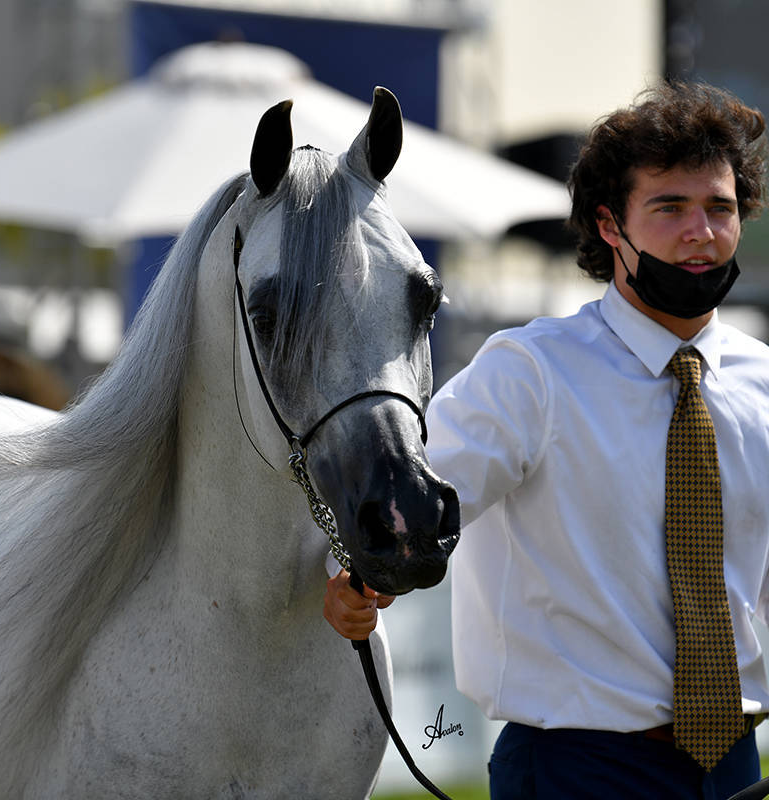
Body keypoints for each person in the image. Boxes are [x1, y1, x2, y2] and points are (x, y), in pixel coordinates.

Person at [323, 81, 769, 798]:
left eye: (720, 207)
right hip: (577, 768)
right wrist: (355, 583)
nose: (702, 232)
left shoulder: (764, 382)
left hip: (736, 768)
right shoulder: (530, 373)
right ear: (608, 225)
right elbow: (405, 508)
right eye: (670, 207)